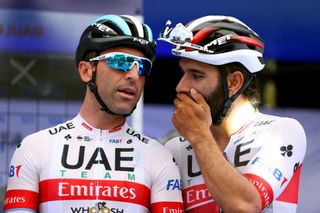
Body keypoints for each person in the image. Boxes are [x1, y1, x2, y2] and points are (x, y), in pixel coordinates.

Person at [3, 14, 184, 213]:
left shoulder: (159, 156)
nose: (134, 75)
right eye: (121, 62)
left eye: (143, 66)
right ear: (86, 71)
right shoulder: (34, 148)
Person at [158, 15, 307, 213]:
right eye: (183, 73)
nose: (181, 86)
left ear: (234, 82)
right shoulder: (174, 148)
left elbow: (245, 206)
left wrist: (200, 137)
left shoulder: (281, 131)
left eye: (196, 75)